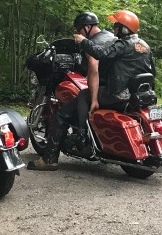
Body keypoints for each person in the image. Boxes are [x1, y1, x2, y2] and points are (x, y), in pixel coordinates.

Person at [28, 11, 115, 172]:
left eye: (79, 29)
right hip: (114, 88)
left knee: (62, 114)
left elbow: (94, 68)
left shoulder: (92, 42)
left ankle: (50, 159)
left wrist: (94, 97)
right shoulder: (110, 36)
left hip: (102, 90)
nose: (78, 33)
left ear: (87, 28)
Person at [74, 9, 155, 108]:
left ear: (124, 29)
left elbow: (101, 54)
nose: (114, 28)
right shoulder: (145, 45)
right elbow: (153, 72)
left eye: (116, 26)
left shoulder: (123, 44)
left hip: (120, 94)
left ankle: (84, 123)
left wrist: (84, 41)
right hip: (141, 93)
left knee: (83, 95)